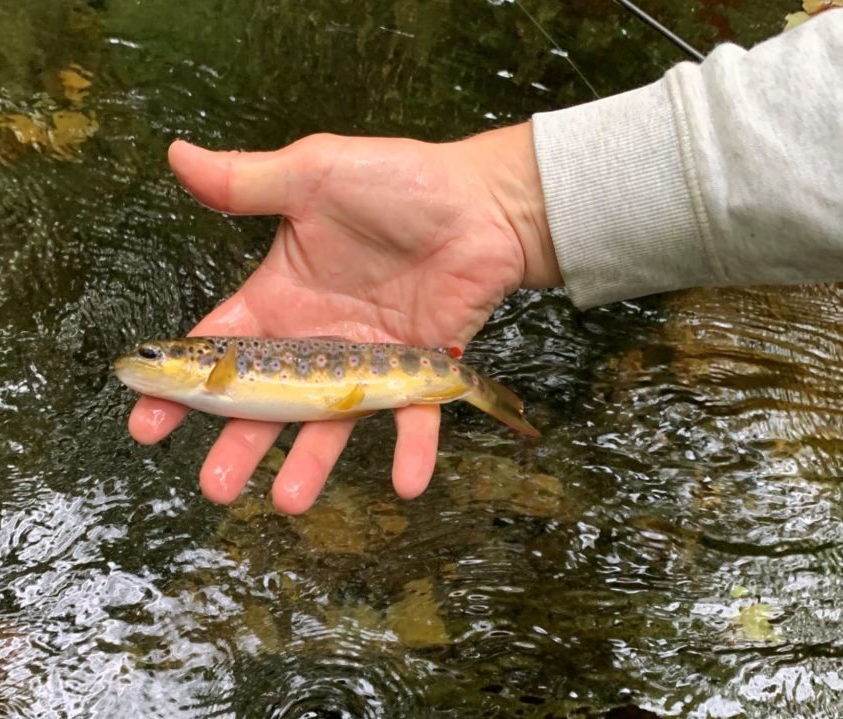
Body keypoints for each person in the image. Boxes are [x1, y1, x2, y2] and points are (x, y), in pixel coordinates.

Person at [127, 11, 842, 515]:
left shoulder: (216, 366)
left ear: (197, 358)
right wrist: (510, 204)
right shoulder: (212, 371)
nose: (143, 361)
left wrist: (516, 205)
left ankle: (476, 389)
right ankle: (479, 391)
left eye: (158, 355)